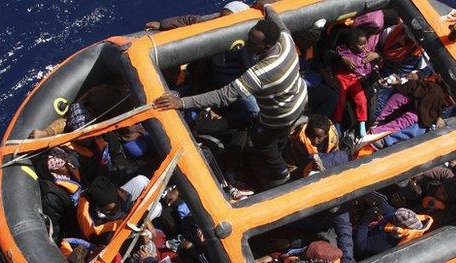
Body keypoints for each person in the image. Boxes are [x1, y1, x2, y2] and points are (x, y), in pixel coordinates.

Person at [154, 3, 308, 188]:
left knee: (261, 142)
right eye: (249, 36)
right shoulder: (285, 40)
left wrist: (181, 102)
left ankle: (281, 175)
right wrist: (265, 6)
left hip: (279, 114)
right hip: (299, 99)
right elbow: (278, 22)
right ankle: (280, 146)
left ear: (266, 45)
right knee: (278, 136)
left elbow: (223, 96)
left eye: (253, 41)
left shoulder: (261, 72)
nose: (247, 42)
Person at [76, 175, 162, 245]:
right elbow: (116, 244)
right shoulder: (98, 228)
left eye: (118, 204)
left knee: (141, 180)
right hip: (106, 237)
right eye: (112, 209)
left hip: (118, 218)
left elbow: (125, 203)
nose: (118, 208)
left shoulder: (102, 192)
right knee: (157, 208)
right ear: (100, 209)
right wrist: (139, 241)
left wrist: (145, 219)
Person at [145, 1, 250, 31]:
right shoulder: (215, 21)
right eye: (223, 18)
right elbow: (190, 20)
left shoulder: (252, 35)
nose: (224, 22)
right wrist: (161, 24)